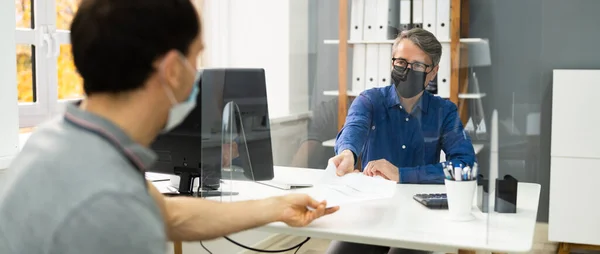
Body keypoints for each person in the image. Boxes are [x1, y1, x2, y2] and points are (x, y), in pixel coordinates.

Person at [0, 1, 338, 253]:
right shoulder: (112, 204)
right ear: (174, 69)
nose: (198, 72)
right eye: (197, 57)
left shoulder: (59, 139)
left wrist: (275, 208)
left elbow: (171, 215)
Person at [326, 28, 476, 254]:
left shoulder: (444, 111)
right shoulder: (370, 100)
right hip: (371, 211)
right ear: (392, 63)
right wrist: (348, 153)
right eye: (401, 62)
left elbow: (464, 166)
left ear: (433, 72)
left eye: (417, 66)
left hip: (419, 214)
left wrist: (401, 174)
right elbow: (353, 128)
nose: (407, 70)